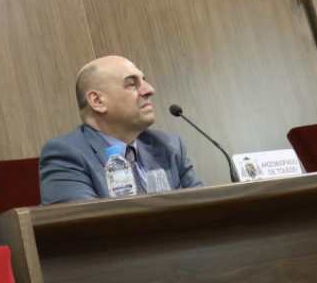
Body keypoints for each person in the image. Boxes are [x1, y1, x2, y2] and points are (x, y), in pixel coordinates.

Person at [40, 55, 203, 204]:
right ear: (97, 101)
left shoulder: (169, 146)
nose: (149, 90)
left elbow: (203, 209)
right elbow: (82, 224)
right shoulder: (66, 155)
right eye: (131, 84)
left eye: (144, 80)